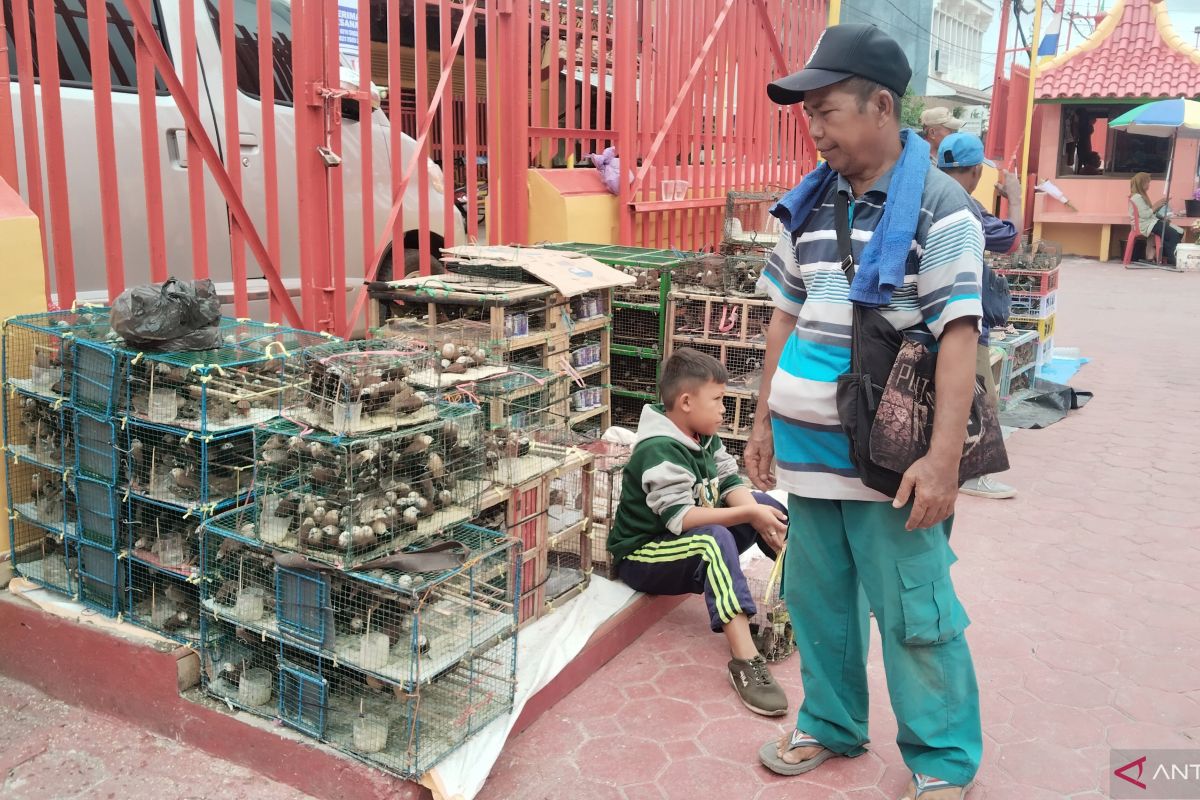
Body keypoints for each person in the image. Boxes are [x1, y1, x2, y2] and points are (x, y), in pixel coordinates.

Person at [753, 23, 983, 800]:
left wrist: (943, 460)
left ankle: (943, 761)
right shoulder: (810, 206)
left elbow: (957, 335)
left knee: (916, 612)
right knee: (821, 608)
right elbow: (782, 314)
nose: (815, 130)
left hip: (891, 466)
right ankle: (832, 721)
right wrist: (759, 421)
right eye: (808, 115)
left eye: (827, 111)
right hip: (808, 459)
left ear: (881, 105)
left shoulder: (940, 209)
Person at [606, 347, 790, 717]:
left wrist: (756, 511)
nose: (725, 407)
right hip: (644, 555)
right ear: (687, 402)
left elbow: (728, 479)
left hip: (679, 546)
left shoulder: (702, 434)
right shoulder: (659, 448)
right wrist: (749, 512)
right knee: (713, 538)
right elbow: (681, 518)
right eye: (719, 399)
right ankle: (746, 661)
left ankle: (800, 607)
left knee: (768, 507)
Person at [936, 131, 1020, 500]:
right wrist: (1015, 198)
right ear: (975, 172)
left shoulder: (927, 196)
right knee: (979, 395)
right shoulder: (965, 207)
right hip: (964, 320)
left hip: (929, 318)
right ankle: (973, 473)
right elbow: (1010, 240)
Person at [1130, 171, 1184, 265]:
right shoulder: (1137, 197)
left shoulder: (1141, 196)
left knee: (1179, 232)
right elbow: (1145, 215)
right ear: (1142, 183)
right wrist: (1157, 204)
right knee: (1173, 235)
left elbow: (1150, 212)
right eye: (1148, 182)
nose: (1149, 185)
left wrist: (1160, 207)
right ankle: (1172, 258)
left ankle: (1165, 255)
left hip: (1151, 222)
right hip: (1147, 224)